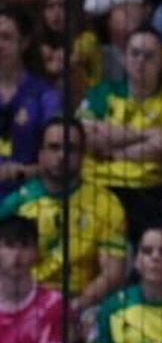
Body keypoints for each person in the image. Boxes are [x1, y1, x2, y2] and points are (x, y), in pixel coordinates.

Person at [0, 117, 127, 317]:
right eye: (53, 147)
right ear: (40, 155)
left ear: (83, 155)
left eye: (71, 148)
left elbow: (113, 273)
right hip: (25, 300)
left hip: (82, 304)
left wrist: (74, 306)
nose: (61, 155)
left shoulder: (106, 203)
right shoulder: (16, 204)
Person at [79, 25, 162, 240]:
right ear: (124, 58)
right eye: (134, 53)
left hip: (151, 189)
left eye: (149, 55)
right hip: (98, 185)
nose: (140, 61)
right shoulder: (101, 92)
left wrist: (114, 151)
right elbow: (87, 135)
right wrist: (147, 134)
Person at [0, 216, 62, 343]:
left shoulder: (54, 304)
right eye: (9, 246)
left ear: (36, 252)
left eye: (24, 246)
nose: (16, 256)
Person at [0, 7, 60, 198]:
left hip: (29, 197)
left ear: (24, 42)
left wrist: (22, 172)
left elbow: (59, 158)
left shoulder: (45, 96)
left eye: (6, 37)